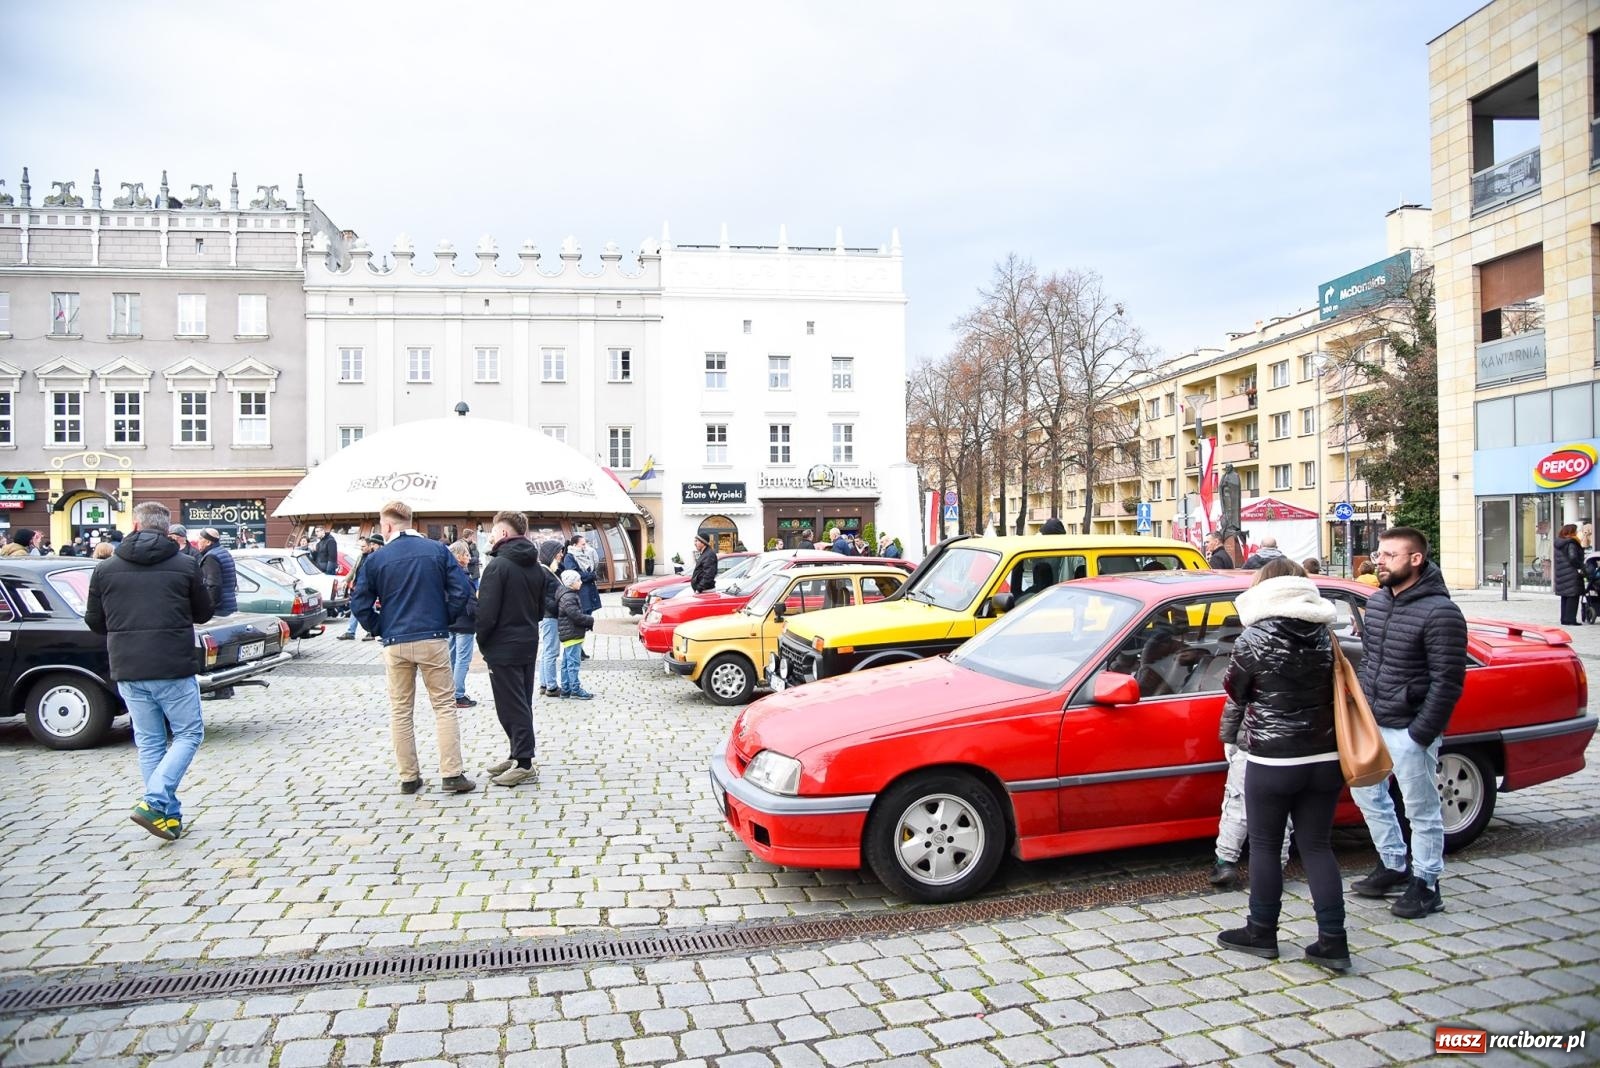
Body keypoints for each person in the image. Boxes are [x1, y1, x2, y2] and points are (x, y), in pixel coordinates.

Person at [1215, 557, 1349, 971]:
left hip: (1273, 758)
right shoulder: (1326, 634)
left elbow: (1235, 690)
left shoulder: (1252, 638)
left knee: (1267, 846)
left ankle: (1261, 932)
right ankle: (1333, 942)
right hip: (1326, 755)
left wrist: (1228, 739)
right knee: (1317, 846)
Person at [1348, 527, 1467, 919]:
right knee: (1367, 794)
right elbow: (1371, 661)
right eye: (1379, 554)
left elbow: (1448, 681)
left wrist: (1421, 734)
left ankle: (1427, 883)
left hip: (1410, 728)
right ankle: (1393, 864)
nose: (1378, 561)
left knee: (1421, 809)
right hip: (1374, 722)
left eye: (1389, 555)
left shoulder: (1441, 612)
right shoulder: (1379, 602)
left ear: (1416, 560)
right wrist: (1362, 708)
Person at [84, 501, 215, 840]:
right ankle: (155, 801)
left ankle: (168, 817)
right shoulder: (185, 565)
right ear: (167, 530)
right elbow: (203, 614)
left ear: (136, 526)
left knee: (150, 742)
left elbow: (95, 623)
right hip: (172, 665)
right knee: (188, 734)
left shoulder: (104, 568)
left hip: (128, 666)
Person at [351, 499, 476, 795]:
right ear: (411, 522)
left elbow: (359, 602)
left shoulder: (377, 559)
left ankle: (408, 776)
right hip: (432, 636)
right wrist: (445, 617)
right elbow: (463, 590)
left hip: (395, 641)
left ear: (387, 525)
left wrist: (379, 626)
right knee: (444, 706)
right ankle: (451, 774)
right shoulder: (436, 551)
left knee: (400, 710)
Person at [476, 510, 550, 786]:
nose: (491, 537)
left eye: (493, 532)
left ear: (504, 534)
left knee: (511, 705)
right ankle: (516, 754)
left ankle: (524, 762)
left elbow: (486, 613)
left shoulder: (497, 566)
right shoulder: (535, 565)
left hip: (502, 645)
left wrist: (482, 639)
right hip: (528, 641)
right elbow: (542, 609)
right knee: (521, 701)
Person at [196, 528, 240, 700]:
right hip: (229, 603)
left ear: (207, 541)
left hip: (219, 607)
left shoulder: (211, 557)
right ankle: (227, 687)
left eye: (199, 539)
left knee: (218, 649)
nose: (197, 542)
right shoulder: (223, 552)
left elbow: (213, 585)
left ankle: (221, 688)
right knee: (227, 646)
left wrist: (209, 606)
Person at [447, 541, 479, 709]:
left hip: (451, 621)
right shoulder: (462, 575)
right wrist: (479, 615)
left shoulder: (446, 573)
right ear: (458, 557)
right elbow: (470, 600)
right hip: (464, 621)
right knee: (462, 659)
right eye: (466, 555)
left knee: (452, 658)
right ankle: (458, 694)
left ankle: (451, 692)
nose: (469, 558)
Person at [337, 535, 385, 640]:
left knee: (365, 607)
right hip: (358, 585)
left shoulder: (373, 557)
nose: (361, 548)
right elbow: (354, 569)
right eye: (360, 547)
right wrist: (346, 580)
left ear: (369, 546)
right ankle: (352, 632)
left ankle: (369, 631)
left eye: (363, 546)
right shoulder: (361, 556)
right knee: (356, 607)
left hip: (369, 587)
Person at [556, 570, 595, 700]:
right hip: (572, 634)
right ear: (571, 583)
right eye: (578, 580)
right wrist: (589, 620)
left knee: (567, 663)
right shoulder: (569, 597)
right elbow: (575, 616)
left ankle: (566, 689)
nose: (581, 582)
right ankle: (575, 689)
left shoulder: (567, 594)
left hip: (570, 634)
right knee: (573, 663)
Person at [535, 539, 565, 697]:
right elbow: (543, 597)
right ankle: (551, 686)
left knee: (547, 651)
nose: (561, 555)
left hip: (550, 616)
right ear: (551, 553)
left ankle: (544, 683)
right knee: (551, 652)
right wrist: (558, 605)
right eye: (559, 552)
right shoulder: (544, 571)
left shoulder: (549, 570)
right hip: (550, 617)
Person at [1554, 523, 1585, 626]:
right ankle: (1571, 619)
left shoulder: (1559, 543)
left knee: (1565, 597)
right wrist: (1580, 566)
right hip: (1571, 573)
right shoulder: (1571, 543)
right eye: (1576, 531)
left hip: (1562, 573)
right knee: (1573, 596)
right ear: (1572, 532)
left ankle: (1564, 619)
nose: (1577, 532)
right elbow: (1573, 558)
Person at [571, 534, 601, 613]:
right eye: (583, 544)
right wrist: (591, 575)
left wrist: (592, 575)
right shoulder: (570, 556)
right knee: (583, 616)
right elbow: (574, 574)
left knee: (589, 615)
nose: (585, 546)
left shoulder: (587, 554)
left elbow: (594, 565)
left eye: (585, 544)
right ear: (574, 545)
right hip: (581, 591)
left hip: (590, 589)